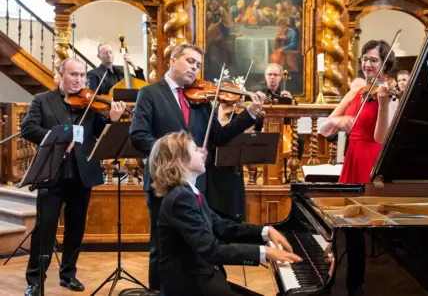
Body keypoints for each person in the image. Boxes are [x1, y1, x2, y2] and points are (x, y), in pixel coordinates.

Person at [129, 43, 266, 293]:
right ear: (172, 60)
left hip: (194, 183)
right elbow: (138, 135)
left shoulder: (202, 100)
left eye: (198, 65)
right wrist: (176, 154)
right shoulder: (150, 93)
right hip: (164, 182)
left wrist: (250, 114)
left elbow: (220, 137)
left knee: (197, 244)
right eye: (190, 61)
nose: (195, 68)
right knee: (162, 247)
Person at [150, 131, 302, 296]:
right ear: (179, 161)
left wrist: (265, 231)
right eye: (195, 150)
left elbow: (223, 227)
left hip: (205, 278)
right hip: (191, 287)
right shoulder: (180, 198)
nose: (202, 152)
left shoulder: (190, 192)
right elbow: (212, 250)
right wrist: (265, 252)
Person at [21, 58, 126, 296]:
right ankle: (35, 280)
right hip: (51, 173)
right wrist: (58, 136)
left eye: (82, 76)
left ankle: (68, 275)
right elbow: (28, 128)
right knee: (44, 229)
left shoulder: (90, 103)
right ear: (61, 75)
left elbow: (101, 131)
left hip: (82, 174)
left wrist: (114, 119)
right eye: (73, 75)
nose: (79, 80)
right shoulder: (42, 100)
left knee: (75, 229)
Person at [319, 40, 398, 296]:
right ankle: (353, 283)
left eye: (374, 60)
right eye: (365, 58)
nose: (367, 64)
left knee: (366, 227)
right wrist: (339, 120)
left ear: (385, 64)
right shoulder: (356, 92)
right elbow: (323, 128)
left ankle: (369, 282)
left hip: (371, 162)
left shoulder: (387, 94)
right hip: (351, 160)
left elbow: (380, 138)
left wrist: (384, 104)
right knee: (350, 229)